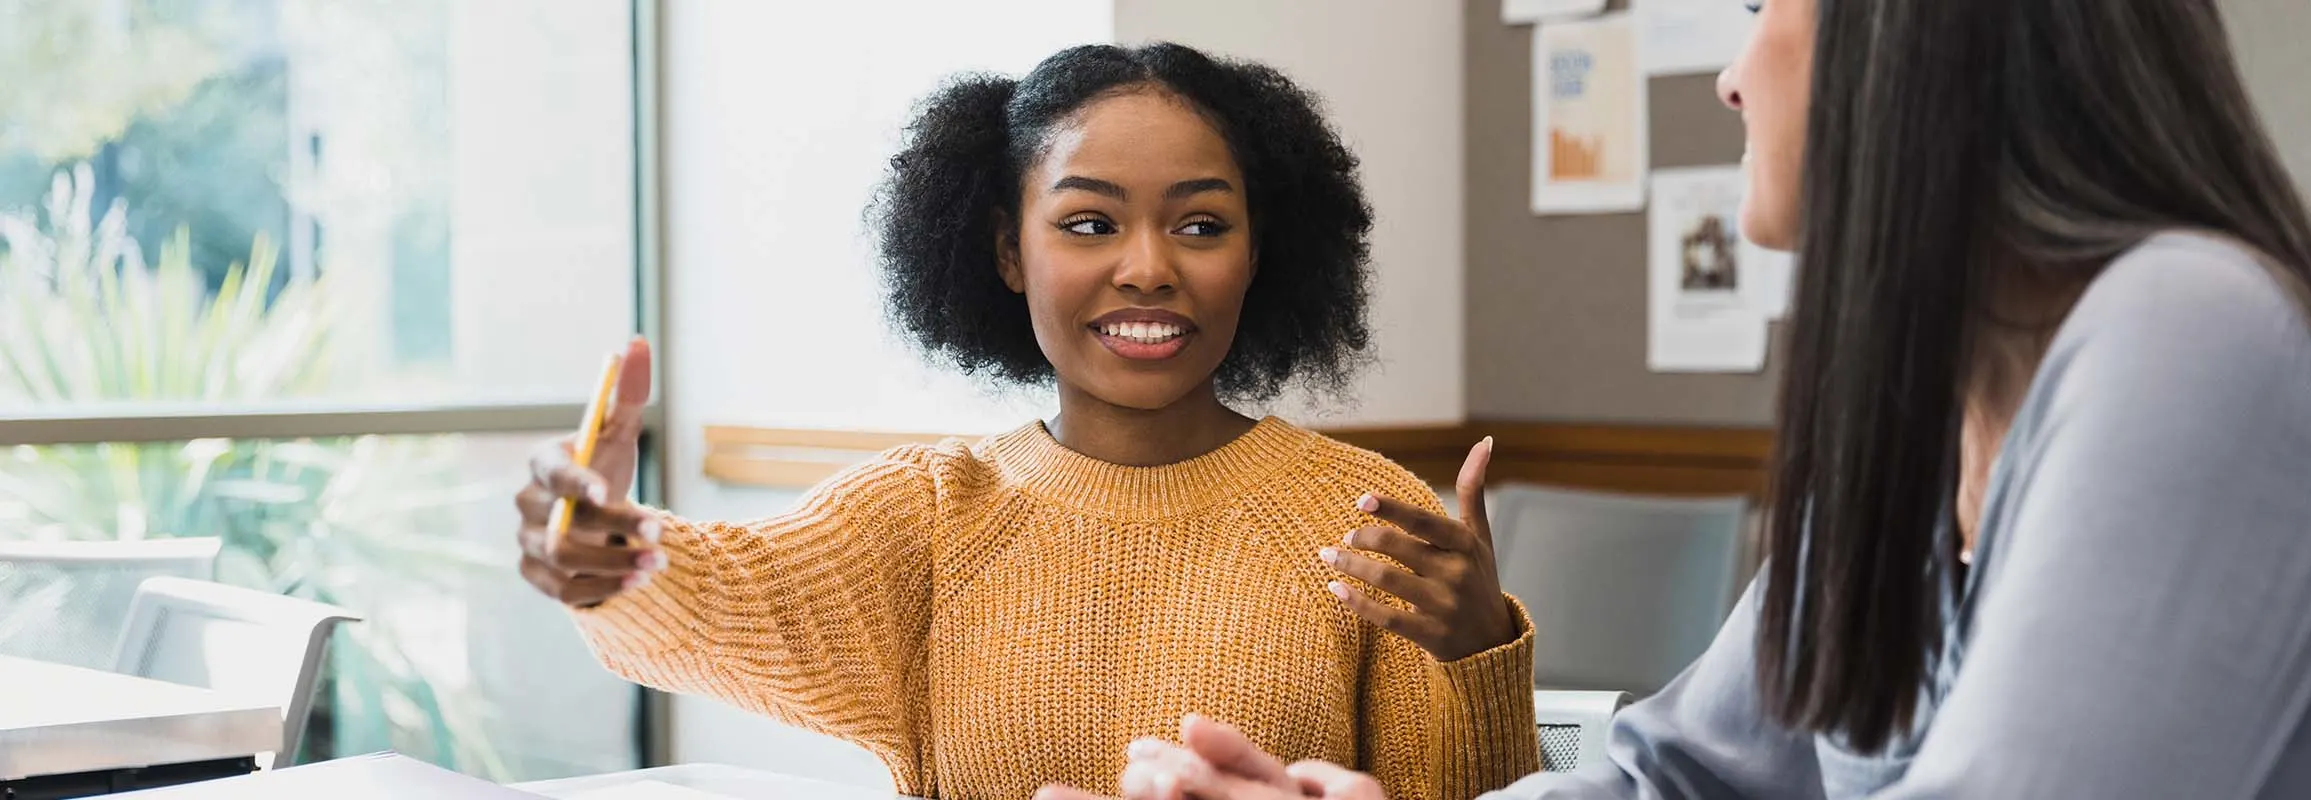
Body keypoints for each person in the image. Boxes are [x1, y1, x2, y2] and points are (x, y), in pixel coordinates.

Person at [1065, 0, 2311, 797]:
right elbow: (1679, 776)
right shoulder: (1916, 440)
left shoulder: (2191, 335)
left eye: (1765, 2)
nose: (1729, 72)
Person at [508, 43, 1541, 800]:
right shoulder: (927, 514)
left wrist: (1479, 651)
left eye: (1201, 224)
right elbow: (716, 593)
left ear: (1260, 252)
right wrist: (606, 551)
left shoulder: (1369, 518)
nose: (1147, 266)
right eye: (1089, 222)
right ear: (1008, 252)